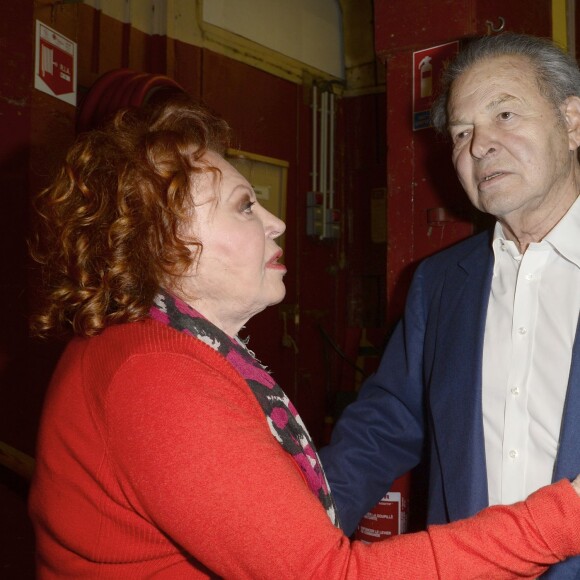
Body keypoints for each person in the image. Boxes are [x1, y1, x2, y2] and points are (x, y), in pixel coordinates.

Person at [27, 92, 580, 579]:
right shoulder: (155, 376)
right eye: (245, 207)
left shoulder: (159, 348)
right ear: (164, 240)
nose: (276, 222)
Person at [319, 32, 580, 579]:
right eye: (462, 133)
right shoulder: (439, 284)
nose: (479, 145)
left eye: (505, 114)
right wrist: (301, 528)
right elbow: (383, 425)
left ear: (573, 122)